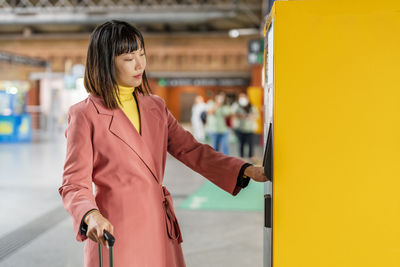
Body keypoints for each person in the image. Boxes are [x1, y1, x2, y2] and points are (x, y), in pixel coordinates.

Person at [58, 20, 268, 267]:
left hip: (159, 226)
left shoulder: (155, 107)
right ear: (105, 61)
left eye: (142, 54)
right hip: (115, 229)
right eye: (129, 58)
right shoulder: (85, 114)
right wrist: (90, 215)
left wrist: (244, 169)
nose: (140, 65)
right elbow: (73, 183)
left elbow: (191, 150)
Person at [232, 93, 259, 160]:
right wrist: (242, 116)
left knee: (251, 144)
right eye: (240, 97)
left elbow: (256, 116)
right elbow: (233, 115)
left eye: (243, 97)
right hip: (240, 128)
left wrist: (250, 116)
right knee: (241, 144)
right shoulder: (236, 106)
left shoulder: (252, 107)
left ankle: (251, 157)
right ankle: (241, 157)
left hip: (250, 129)